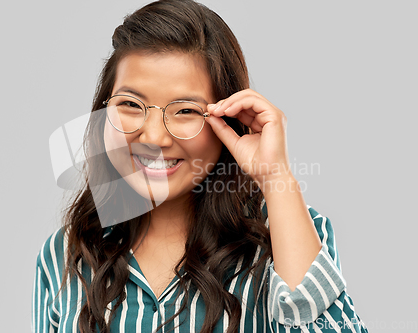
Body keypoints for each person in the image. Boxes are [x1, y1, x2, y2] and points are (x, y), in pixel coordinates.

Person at [32, 0, 367, 332]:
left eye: (186, 111)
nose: (154, 136)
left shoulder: (284, 236)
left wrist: (275, 175)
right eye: (131, 104)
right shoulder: (64, 255)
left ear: (228, 119)